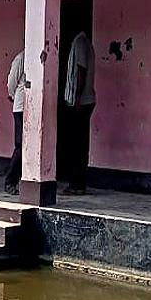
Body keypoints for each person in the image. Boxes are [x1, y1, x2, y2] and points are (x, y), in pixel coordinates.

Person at [63, 31, 96, 195]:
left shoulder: (80, 42)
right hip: (84, 99)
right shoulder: (84, 42)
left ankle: (76, 184)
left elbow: (81, 70)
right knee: (79, 144)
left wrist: (77, 97)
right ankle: (78, 183)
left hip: (82, 101)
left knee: (77, 145)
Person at [4, 49, 26, 195]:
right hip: (20, 106)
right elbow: (11, 83)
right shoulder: (20, 59)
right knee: (20, 145)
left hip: (33, 106)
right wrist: (13, 96)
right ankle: (10, 180)